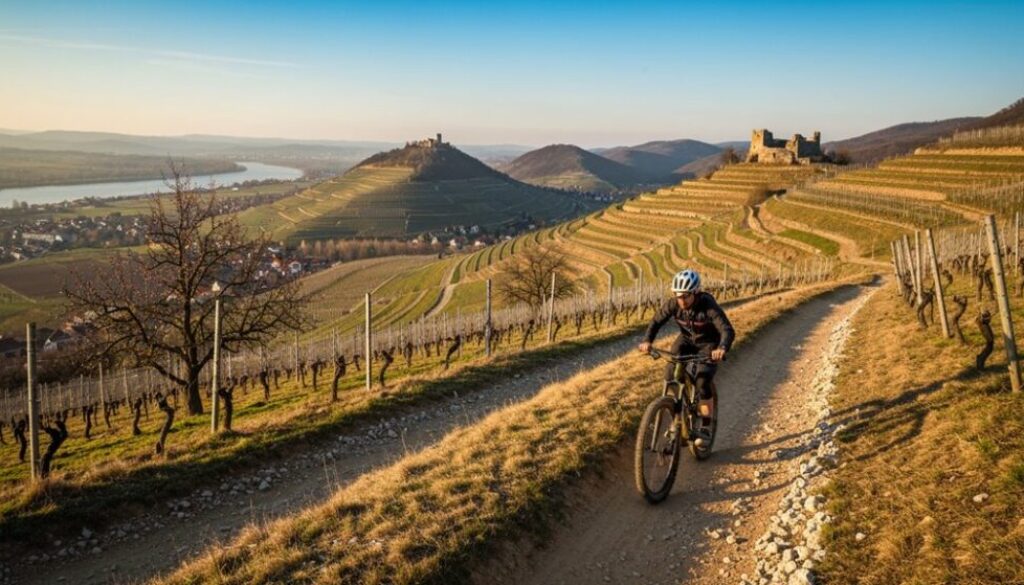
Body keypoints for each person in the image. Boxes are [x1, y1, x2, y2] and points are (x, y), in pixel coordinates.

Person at [638, 269, 734, 444]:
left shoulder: (708, 304)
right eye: (677, 295)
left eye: (685, 296)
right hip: (686, 340)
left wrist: (722, 348)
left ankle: (705, 426)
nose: (681, 300)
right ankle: (678, 418)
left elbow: (727, 329)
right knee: (670, 374)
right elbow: (656, 321)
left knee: (702, 380)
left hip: (709, 343)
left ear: (696, 292)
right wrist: (647, 341)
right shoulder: (674, 304)